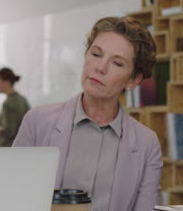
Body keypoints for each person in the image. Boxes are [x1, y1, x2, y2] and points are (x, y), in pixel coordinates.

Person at [13, 17, 162, 211]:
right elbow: (13, 197)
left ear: (133, 80)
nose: (100, 67)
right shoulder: (37, 121)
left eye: (117, 63)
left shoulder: (147, 144)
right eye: (96, 54)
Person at [0, 68, 30, 147]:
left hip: (7, 150)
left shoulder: (8, 103)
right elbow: (16, 121)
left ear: (7, 82)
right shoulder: (22, 99)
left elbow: (9, 131)